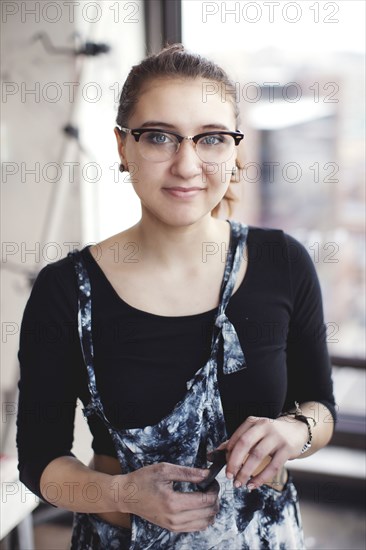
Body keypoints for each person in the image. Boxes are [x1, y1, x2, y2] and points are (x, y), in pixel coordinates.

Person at [16, 44, 336, 549]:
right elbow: (39, 461)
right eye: (160, 137)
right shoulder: (65, 291)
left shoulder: (283, 261)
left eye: (210, 139)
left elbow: (320, 407)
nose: (187, 165)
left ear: (233, 151)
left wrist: (295, 431)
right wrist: (123, 493)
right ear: (123, 147)